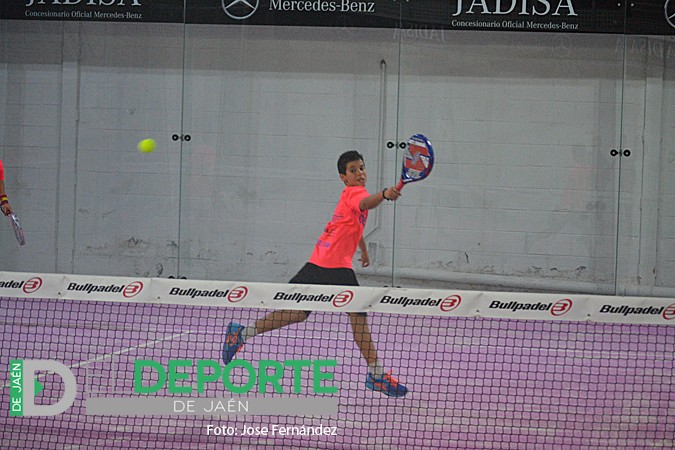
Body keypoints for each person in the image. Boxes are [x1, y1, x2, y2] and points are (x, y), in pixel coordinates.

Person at [222, 150, 408, 397]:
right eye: (353, 170)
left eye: (361, 168)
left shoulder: (348, 194)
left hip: (321, 261)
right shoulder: (356, 193)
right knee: (357, 316)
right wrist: (385, 194)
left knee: (299, 313)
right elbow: (365, 203)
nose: (360, 173)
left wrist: (362, 250)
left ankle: (242, 333)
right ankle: (376, 374)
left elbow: (353, 224)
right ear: (344, 177)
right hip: (333, 265)